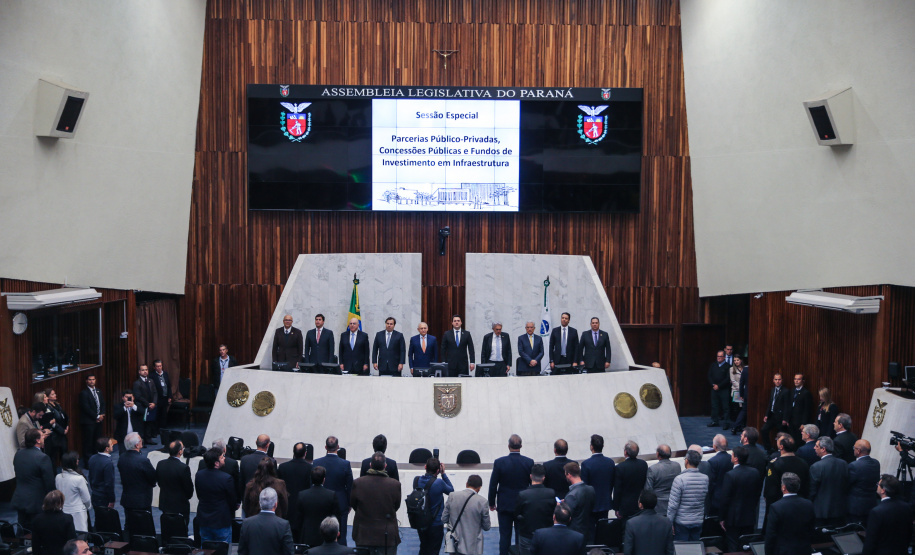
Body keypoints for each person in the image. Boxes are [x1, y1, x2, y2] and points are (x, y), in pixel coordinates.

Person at [488, 434, 533, 555]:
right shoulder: (529, 462)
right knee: (521, 536)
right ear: (521, 446)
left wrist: (491, 502)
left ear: (508, 446)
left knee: (504, 536)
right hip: (523, 505)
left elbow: (493, 485)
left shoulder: (499, 462)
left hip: (504, 504)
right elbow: (532, 484)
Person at [350, 452, 401, 554]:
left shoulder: (358, 483)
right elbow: (396, 506)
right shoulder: (395, 484)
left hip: (363, 533)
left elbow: (353, 504)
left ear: (370, 465)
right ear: (385, 466)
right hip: (387, 534)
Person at [718, 446, 762, 551]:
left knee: (733, 545)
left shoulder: (730, 475)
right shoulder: (755, 472)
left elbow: (725, 499)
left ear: (736, 458)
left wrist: (722, 518)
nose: (731, 457)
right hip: (749, 516)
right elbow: (757, 493)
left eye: (732, 455)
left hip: (733, 519)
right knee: (747, 546)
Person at [313, 436, 354, 545]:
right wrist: (349, 504)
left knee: (321, 533)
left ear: (325, 447)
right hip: (341, 502)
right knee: (341, 535)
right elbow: (350, 486)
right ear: (338, 447)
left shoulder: (316, 462)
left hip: (320, 501)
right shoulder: (345, 464)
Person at [12, 428, 55, 529]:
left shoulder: (18, 454)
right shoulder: (42, 458)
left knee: (22, 530)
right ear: (38, 440)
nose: (44, 437)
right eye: (42, 436)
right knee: (37, 532)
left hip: (20, 499)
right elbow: (49, 483)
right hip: (36, 503)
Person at [196, 446, 240, 544]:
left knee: (206, 548)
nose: (224, 458)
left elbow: (199, 495)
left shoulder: (199, 475)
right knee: (223, 548)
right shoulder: (226, 478)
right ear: (216, 463)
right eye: (222, 457)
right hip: (221, 520)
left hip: (204, 519)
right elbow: (232, 500)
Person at [764, 472, 815, 555]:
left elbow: (770, 535)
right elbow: (811, 529)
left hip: (783, 551)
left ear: (783, 487)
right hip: (804, 550)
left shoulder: (776, 507)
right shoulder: (808, 504)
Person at [862, 474, 914, 554]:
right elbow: (909, 534)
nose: (877, 486)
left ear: (883, 490)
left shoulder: (876, 512)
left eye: (878, 484)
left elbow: (870, 541)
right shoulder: (907, 507)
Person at [763, 434, 810, 518]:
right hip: (800, 504)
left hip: (779, 505)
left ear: (781, 447)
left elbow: (771, 488)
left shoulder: (774, 464)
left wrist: (768, 501)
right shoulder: (803, 463)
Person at [238, 487, 294, 555]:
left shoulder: (247, 523)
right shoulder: (283, 525)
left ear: (260, 503)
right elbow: (288, 552)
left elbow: (242, 552)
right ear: (276, 504)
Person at [416, 457, 455, 555]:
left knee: (423, 547)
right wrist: (443, 474)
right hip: (436, 523)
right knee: (434, 550)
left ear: (425, 467)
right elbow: (451, 491)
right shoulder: (439, 483)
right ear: (438, 470)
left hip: (421, 522)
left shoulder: (417, 480)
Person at [443, 474, 491, 555]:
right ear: (479, 488)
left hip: (455, 544)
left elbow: (444, 518)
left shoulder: (452, 496)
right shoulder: (482, 502)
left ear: (466, 484)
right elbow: (486, 527)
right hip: (473, 547)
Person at [667, 449, 708, 541]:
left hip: (682, 522)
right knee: (695, 547)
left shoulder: (679, 479)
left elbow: (673, 505)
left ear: (686, 461)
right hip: (698, 520)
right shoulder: (705, 478)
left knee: (682, 547)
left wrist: (670, 522)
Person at [513, 464, 555, 553]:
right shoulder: (551, 493)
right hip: (546, 534)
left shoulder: (523, 495)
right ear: (543, 478)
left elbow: (516, 514)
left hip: (527, 534)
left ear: (531, 476)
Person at [808, 436, 849, 527]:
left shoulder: (816, 467)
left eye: (816, 446)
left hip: (821, 512)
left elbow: (813, 491)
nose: (814, 448)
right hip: (840, 510)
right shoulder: (843, 464)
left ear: (823, 449)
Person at [292, 466, 338, 547]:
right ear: (324, 479)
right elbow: (336, 516)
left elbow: (298, 519)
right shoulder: (331, 495)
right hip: (325, 535)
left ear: (311, 478)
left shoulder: (302, 495)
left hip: (307, 535)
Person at [623, 490, 674, 555]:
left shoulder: (631, 523)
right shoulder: (666, 522)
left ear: (640, 505)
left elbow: (627, 551)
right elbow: (670, 550)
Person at [157, 440, 194, 527]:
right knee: (181, 530)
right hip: (180, 506)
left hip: (165, 503)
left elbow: (159, 482)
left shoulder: (160, 464)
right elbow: (189, 490)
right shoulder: (183, 468)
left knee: (167, 529)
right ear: (180, 451)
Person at [278, 442, 313, 531]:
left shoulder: (282, 467)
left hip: (286, 505)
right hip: (302, 506)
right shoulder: (310, 468)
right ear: (305, 453)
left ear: (293, 452)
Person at [118, 432, 157, 513]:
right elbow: (153, 477)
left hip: (127, 499)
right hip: (141, 501)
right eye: (140, 440)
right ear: (137, 445)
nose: (142, 440)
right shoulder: (143, 460)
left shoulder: (121, 457)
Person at [30, 490, 77, 555]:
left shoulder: (37, 519)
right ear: (60, 503)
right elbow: (72, 541)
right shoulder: (67, 518)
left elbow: (35, 544)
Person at [581, 434, 615, 524]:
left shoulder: (586, 464)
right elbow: (612, 482)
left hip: (591, 504)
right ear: (603, 446)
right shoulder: (610, 462)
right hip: (605, 502)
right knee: (603, 528)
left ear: (591, 447)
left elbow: (584, 486)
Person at [846, 439, 880, 524]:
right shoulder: (876, 463)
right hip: (872, 503)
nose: (853, 450)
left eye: (854, 448)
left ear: (858, 451)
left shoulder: (854, 465)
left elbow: (847, 484)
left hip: (856, 506)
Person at [56, 451, 91, 532]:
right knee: (80, 536)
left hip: (63, 511)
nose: (78, 461)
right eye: (77, 460)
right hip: (78, 513)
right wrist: (88, 507)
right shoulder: (79, 479)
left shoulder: (58, 477)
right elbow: (86, 499)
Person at [614, 440, 648, 519]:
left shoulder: (620, 467)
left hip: (625, 507)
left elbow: (617, 489)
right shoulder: (643, 464)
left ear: (625, 452)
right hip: (640, 504)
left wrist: (616, 508)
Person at [563, 461, 596, 542]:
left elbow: (566, 517)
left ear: (569, 475)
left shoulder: (571, 495)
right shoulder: (591, 489)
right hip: (588, 531)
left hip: (574, 533)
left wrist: (561, 506)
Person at [77, 373, 106, 466]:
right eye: (90, 379)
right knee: (88, 443)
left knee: (97, 442)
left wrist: (101, 415)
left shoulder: (98, 391)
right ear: (86, 381)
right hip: (89, 422)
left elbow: (102, 403)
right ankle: (88, 463)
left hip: (99, 421)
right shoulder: (84, 393)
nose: (92, 381)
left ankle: (97, 461)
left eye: (93, 379)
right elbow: (86, 408)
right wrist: (96, 416)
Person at [645, 444, 680, 515]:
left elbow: (648, 489)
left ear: (658, 454)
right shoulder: (677, 466)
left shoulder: (653, 469)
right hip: (674, 503)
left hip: (658, 507)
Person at [42, 388, 69, 468]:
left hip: (62, 431)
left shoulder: (57, 405)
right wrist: (62, 431)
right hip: (55, 434)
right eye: (52, 394)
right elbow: (53, 422)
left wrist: (67, 426)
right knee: (54, 455)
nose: (55, 395)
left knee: (64, 452)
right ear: (48, 397)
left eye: (54, 393)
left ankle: (66, 469)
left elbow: (64, 416)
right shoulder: (48, 408)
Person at [761, 372, 788, 451]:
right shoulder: (773, 390)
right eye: (776, 379)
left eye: (779, 379)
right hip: (772, 416)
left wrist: (785, 418)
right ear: (773, 380)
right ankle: (769, 449)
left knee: (781, 435)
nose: (777, 381)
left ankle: (781, 451)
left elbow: (787, 406)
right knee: (763, 430)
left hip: (780, 417)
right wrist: (766, 415)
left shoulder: (786, 391)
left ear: (782, 380)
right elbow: (771, 403)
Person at [132, 364, 158, 445]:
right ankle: (141, 441)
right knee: (141, 424)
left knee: (149, 423)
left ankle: (148, 439)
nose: (145, 371)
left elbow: (155, 392)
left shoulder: (151, 381)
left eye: (146, 370)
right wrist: (148, 404)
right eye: (143, 370)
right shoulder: (137, 383)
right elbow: (138, 396)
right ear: (139, 372)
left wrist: (154, 403)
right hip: (142, 406)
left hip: (151, 406)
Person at [112, 389, 144, 454]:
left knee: (136, 453)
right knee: (123, 453)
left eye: (130, 397)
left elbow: (142, 412)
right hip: (123, 435)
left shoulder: (138, 405)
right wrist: (124, 408)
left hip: (135, 434)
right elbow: (115, 416)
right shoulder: (118, 406)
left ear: (133, 397)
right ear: (123, 398)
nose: (128, 398)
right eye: (126, 397)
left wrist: (133, 406)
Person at [88, 437, 116, 510]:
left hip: (95, 494)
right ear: (107, 449)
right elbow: (109, 483)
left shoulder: (92, 458)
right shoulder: (108, 463)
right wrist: (112, 499)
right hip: (104, 497)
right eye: (111, 444)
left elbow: (90, 476)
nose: (113, 445)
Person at [785, 373, 813, 444]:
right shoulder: (792, 391)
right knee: (791, 440)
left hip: (799, 422)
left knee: (798, 441)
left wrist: (804, 423)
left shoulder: (806, 393)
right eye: (795, 379)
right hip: (791, 421)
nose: (796, 381)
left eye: (798, 379)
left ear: (803, 381)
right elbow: (789, 406)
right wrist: (787, 419)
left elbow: (807, 410)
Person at [707, 350, 731, 429]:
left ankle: (726, 423)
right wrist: (713, 384)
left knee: (725, 407)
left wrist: (719, 386)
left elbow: (728, 378)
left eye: (720, 356)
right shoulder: (713, 365)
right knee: (714, 406)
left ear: (724, 357)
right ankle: (715, 421)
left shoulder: (728, 366)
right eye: (718, 356)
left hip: (724, 389)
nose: (719, 358)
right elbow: (709, 375)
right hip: (714, 388)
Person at [151, 359, 173, 437]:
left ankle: (163, 430)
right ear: (154, 367)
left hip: (165, 398)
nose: (159, 368)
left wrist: (170, 396)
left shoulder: (165, 374)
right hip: (157, 399)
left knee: (164, 415)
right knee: (157, 415)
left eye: (160, 366)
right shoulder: (152, 375)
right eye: (157, 366)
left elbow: (169, 386)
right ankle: (156, 431)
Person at [727, 355, 745, 431]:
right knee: (737, 409)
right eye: (735, 360)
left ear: (741, 360)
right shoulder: (731, 369)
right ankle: (736, 425)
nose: (736, 362)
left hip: (744, 391)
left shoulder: (745, 368)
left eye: (737, 360)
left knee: (743, 408)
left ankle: (742, 425)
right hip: (736, 391)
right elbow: (733, 381)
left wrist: (744, 388)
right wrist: (741, 388)